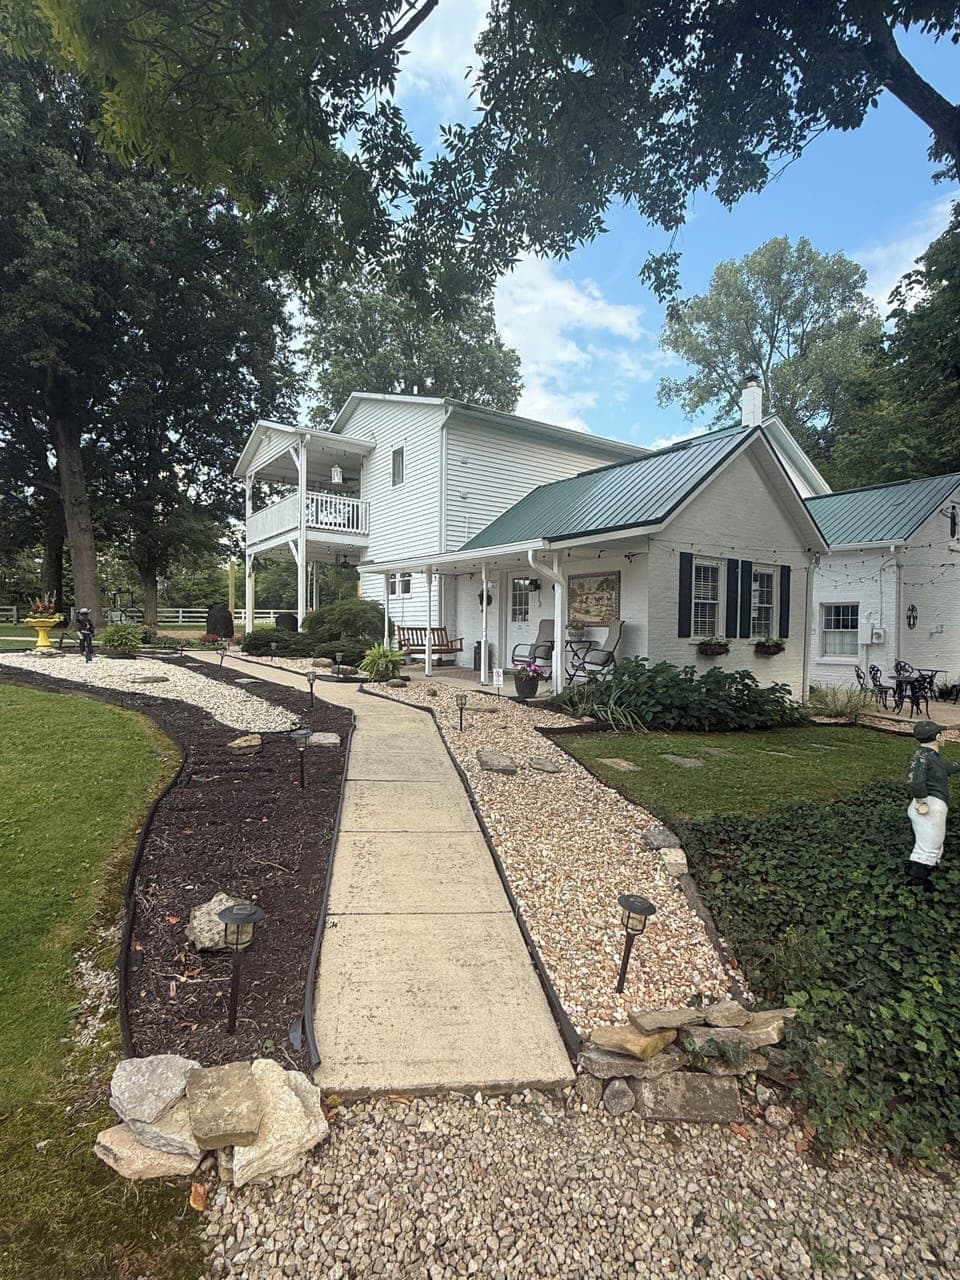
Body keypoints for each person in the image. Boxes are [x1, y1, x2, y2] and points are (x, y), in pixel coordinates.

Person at [907, 720, 959, 889]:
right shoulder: (923, 757)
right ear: (937, 737)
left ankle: (927, 875)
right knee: (927, 847)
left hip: (932, 805)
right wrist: (922, 801)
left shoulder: (928, 756)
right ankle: (917, 885)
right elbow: (916, 782)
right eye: (942, 734)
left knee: (934, 843)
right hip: (929, 806)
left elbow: (946, 767)